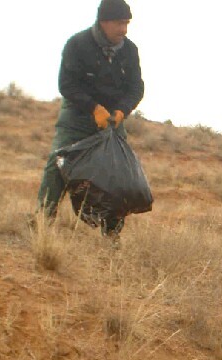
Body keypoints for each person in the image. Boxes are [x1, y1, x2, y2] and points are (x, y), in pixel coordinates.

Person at [36, 0, 144, 236]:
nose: (124, 29)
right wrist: (93, 108)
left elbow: (136, 88)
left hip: (112, 120)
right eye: (119, 23)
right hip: (77, 115)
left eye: (126, 23)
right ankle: (42, 221)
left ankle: (112, 235)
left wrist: (121, 111)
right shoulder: (77, 44)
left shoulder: (129, 50)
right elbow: (66, 84)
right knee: (59, 163)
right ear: (103, 22)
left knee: (119, 174)